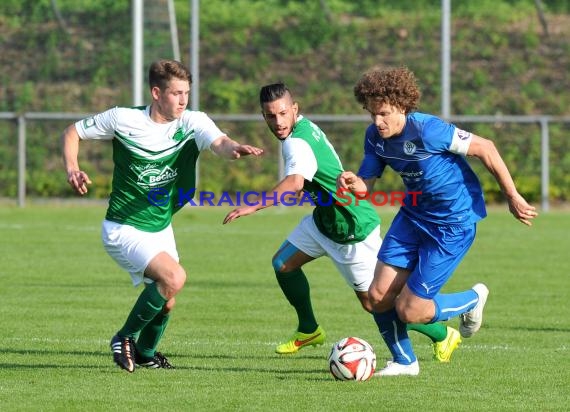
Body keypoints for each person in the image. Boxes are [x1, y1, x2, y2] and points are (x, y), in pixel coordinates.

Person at [223, 82, 461, 362]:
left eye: (282, 113)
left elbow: (294, 183)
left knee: (376, 303)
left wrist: (254, 204)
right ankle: (308, 330)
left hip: (351, 229)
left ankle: (443, 335)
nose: (277, 121)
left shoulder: (297, 142)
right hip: (324, 221)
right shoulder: (303, 128)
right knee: (283, 265)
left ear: (294, 109)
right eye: (270, 116)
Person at [61, 59, 263, 373]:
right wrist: (73, 168)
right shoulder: (123, 119)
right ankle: (123, 338)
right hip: (124, 226)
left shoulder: (192, 122)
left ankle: (145, 352)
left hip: (160, 226)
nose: (183, 100)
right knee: (174, 278)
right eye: (176, 93)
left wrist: (234, 148)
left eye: (186, 93)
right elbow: (72, 132)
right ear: (157, 92)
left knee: (167, 298)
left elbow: (219, 142)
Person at [338, 66, 538, 376]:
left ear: (402, 106)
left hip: (452, 225)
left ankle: (471, 300)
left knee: (410, 310)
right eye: (372, 114)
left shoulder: (428, 129)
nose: (378, 122)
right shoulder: (375, 138)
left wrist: (512, 196)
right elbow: (367, 184)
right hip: (413, 215)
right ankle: (405, 362)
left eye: (384, 114)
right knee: (376, 297)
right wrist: (355, 184)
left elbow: (486, 148)